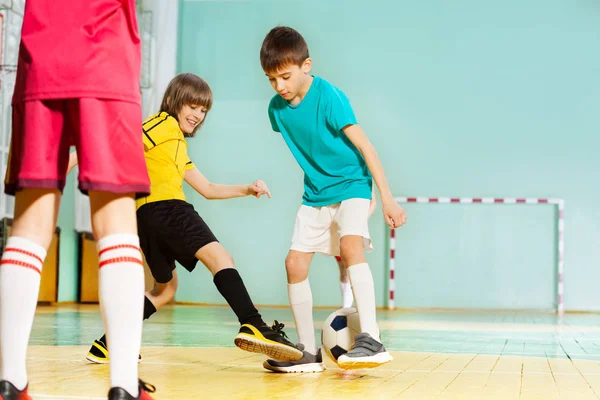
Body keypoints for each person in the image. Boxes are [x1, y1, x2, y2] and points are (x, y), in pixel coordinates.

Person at [68, 73, 303, 366]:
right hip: (168, 209)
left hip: (146, 219)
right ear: (172, 101)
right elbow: (122, 139)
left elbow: (208, 189)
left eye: (203, 110)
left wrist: (247, 189)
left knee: (164, 289)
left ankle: (109, 343)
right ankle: (253, 324)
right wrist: (71, 160)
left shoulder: (177, 144)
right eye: (192, 106)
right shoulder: (163, 124)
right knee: (221, 257)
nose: (197, 115)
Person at [0, 1, 155, 399]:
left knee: (28, 229)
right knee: (117, 226)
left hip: (41, 55)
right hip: (104, 55)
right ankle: (123, 383)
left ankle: (10, 378)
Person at [259, 26, 407, 372]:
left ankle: (372, 339)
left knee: (351, 246)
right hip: (316, 194)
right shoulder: (276, 110)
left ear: (305, 65)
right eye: (271, 79)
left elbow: (365, 147)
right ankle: (308, 352)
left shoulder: (330, 97)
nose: (279, 86)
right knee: (294, 264)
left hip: (353, 184)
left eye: (285, 76)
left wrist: (387, 199)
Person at [335, 188, 376, 309]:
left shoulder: (363, 176)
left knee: (350, 268)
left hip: (354, 228)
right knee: (343, 269)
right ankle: (346, 306)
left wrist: (361, 220)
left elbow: (373, 202)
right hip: (338, 227)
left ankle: (348, 307)